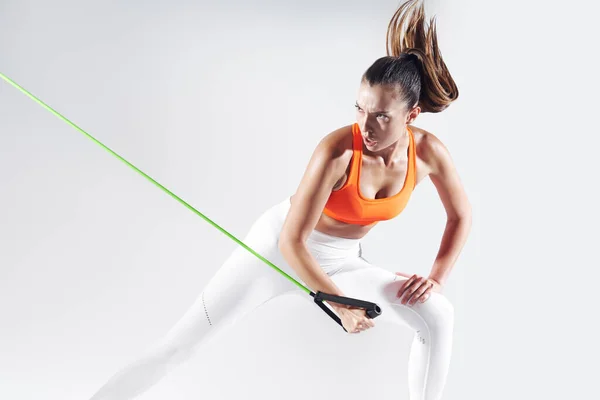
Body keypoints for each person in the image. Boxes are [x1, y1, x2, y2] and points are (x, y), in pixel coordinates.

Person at [88, 1, 471, 399]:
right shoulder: (337, 151)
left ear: (412, 114)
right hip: (273, 252)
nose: (366, 125)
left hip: (341, 262)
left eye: (381, 116)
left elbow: (460, 216)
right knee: (179, 347)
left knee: (437, 313)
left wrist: (436, 278)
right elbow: (292, 242)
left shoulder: (429, 153)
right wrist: (338, 304)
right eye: (360, 110)